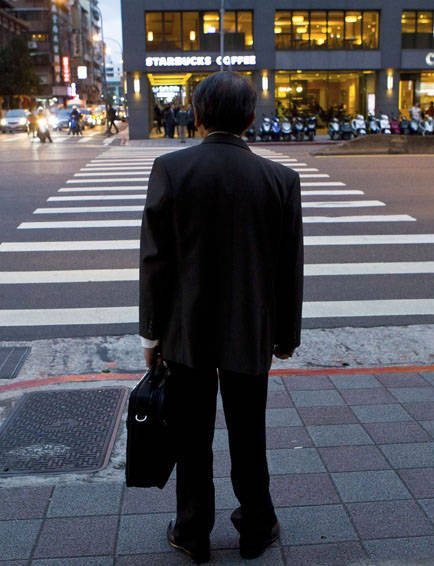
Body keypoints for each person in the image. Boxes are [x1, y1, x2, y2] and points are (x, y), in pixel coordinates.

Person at [139, 70, 303, 563]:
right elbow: (288, 266)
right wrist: (286, 334)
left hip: (185, 331)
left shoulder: (171, 169)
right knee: (248, 432)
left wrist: (151, 332)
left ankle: (193, 532)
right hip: (251, 330)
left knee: (192, 436)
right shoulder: (280, 179)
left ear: (196, 115)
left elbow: (155, 261)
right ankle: (256, 526)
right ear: (251, 118)